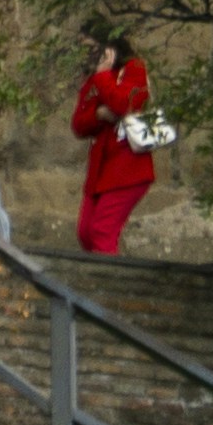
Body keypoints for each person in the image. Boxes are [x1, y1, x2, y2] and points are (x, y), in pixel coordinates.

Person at [69, 32, 160, 260]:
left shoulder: (133, 68)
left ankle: (109, 290)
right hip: (101, 170)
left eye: (92, 47)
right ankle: (97, 284)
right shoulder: (94, 78)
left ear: (109, 48)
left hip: (128, 167)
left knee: (102, 230)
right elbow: (79, 124)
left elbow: (123, 104)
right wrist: (99, 114)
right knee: (86, 232)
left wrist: (103, 76)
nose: (88, 54)